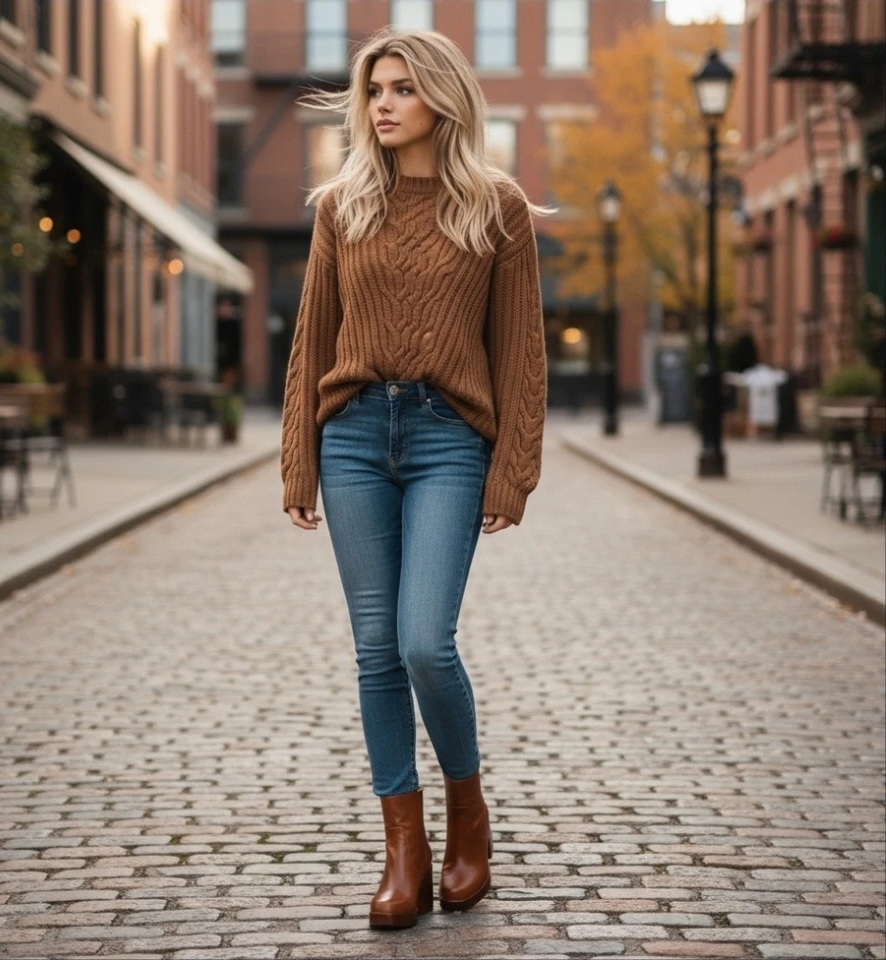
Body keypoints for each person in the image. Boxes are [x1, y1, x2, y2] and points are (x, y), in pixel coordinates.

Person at [280, 27, 550, 930]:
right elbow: (312, 335)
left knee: (425, 640)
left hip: (446, 440)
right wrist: (298, 456)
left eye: (400, 89)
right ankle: (405, 846)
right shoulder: (342, 206)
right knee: (374, 649)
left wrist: (513, 469)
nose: (382, 105)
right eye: (375, 91)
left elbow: (520, 352)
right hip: (353, 435)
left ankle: (467, 814)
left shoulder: (496, 207)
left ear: (441, 97)